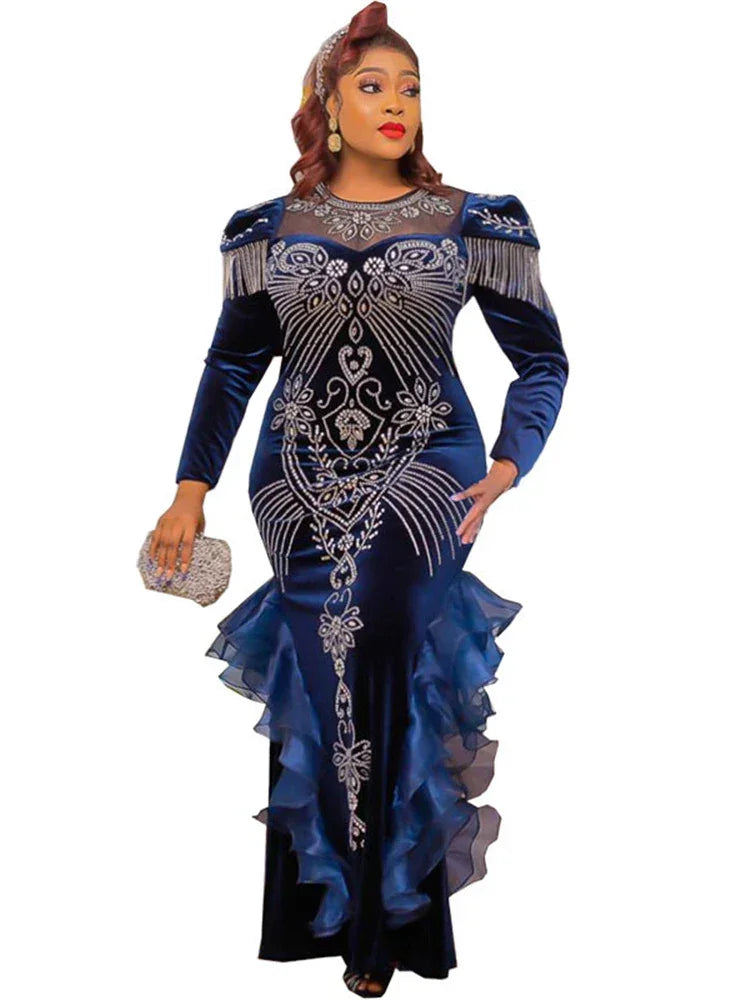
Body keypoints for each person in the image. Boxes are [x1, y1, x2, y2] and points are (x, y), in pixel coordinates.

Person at [149, 3, 569, 995]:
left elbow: (542, 361)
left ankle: (381, 926)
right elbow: (231, 366)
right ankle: (335, 914)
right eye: (372, 85)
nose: (397, 104)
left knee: (371, 648)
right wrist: (188, 489)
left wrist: (509, 462)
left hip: (428, 473)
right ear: (325, 105)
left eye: (411, 88)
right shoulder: (264, 229)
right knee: (325, 667)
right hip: (294, 478)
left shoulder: (477, 219)